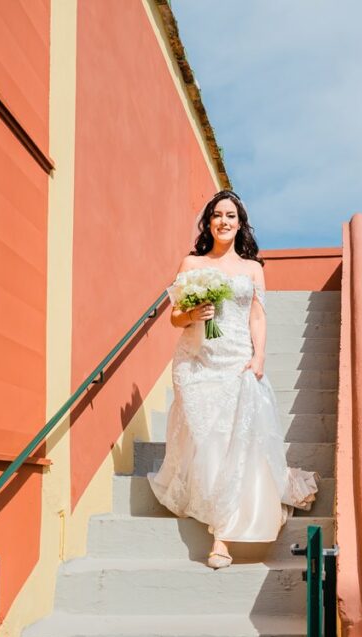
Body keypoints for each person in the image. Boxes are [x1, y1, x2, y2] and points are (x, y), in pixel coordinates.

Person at [148, 190, 318, 569]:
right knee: (207, 440)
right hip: (196, 362)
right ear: (208, 222)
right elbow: (175, 317)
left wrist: (258, 356)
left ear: (240, 224)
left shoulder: (253, 268)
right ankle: (210, 507)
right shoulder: (191, 263)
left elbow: (257, 316)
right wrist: (193, 314)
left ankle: (220, 537)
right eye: (217, 215)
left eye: (231, 216)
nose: (223, 221)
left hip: (238, 362)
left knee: (230, 443)